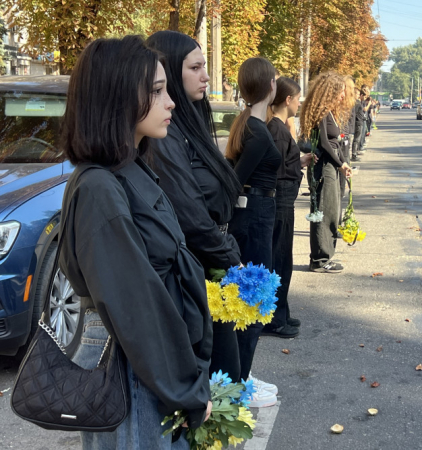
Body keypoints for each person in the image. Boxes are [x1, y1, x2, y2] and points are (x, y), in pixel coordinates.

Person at [58, 36, 212, 449]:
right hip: (137, 379)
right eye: (157, 92)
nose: (172, 103)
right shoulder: (100, 189)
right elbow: (136, 307)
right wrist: (185, 389)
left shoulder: (129, 170)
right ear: (119, 98)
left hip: (152, 375)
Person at [145, 31, 242, 383]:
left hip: (209, 261)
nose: (206, 76)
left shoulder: (189, 124)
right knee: (217, 376)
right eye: (196, 67)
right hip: (196, 269)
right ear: (171, 71)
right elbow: (189, 215)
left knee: (226, 371)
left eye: (205, 66)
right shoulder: (165, 135)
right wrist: (232, 258)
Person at [226, 57, 280, 403]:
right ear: (270, 85)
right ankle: (239, 383)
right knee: (254, 299)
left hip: (256, 215)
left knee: (249, 297)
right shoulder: (257, 132)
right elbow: (233, 181)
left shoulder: (248, 123)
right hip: (255, 217)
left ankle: (241, 374)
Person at [262, 77, 311, 339]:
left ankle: (281, 311)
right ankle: (275, 319)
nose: (300, 103)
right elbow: (279, 173)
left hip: (282, 202)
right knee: (279, 261)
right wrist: (297, 164)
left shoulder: (279, 128)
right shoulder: (278, 130)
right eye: (298, 98)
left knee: (283, 261)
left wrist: (299, 162)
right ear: (288, 100)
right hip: (280, 203)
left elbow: (283, 166)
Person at [300, 71, 352, 273]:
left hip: (331, 166)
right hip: (324, 167)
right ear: (329, 92)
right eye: (340, 92)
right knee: (325, 212)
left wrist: (341, 163)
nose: (342, 96)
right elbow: (325, 144)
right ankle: (321, 259)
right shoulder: (322, 111)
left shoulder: (329, 111)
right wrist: (341, 164)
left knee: (329, 211)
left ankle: (324, 256)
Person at [351, 87, 365, 161]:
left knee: (357, 139)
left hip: (359, 122)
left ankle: (354, 153)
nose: (358, 96)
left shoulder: (357, 102)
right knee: (356, 139)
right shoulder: (356, 103)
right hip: (358, 123)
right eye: (358, 94)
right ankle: (354, 154)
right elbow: (354, 113)